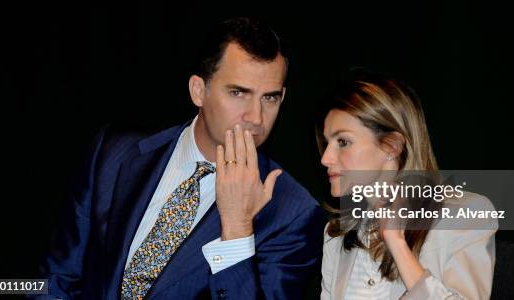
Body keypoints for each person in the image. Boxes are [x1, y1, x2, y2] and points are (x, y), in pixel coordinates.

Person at [36, 17, 324, 299]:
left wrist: (237, 229)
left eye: (270, 98)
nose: (256, 117)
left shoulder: (293, 213)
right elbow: (59, 278)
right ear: (198, 91)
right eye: (238, 92)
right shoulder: (113, 153)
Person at [317, 70, 497, 299]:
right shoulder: (337, 232)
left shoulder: (466, 214)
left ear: (391, 146)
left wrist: (397, 245)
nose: (326, 157)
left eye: (343, 142)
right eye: (327, 142)